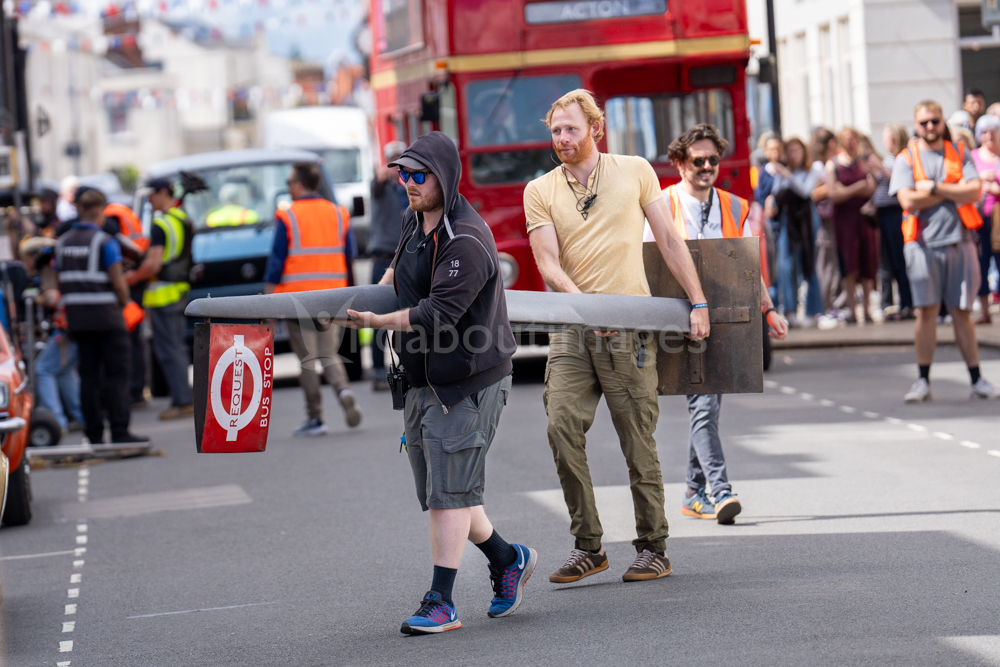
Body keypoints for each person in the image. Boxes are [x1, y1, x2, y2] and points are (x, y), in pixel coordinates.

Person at [343, 132, 536, 635]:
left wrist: (376, 323)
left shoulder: (467, 239)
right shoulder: (413, 220)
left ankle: (441, 602)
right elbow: (395, 274)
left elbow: (440, 312)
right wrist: (365, 301)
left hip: (468, 381)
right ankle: (508, 559)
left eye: (416, 175)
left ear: (443, 179)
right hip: (423, 377)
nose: (406, 183)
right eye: (401, 174)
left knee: (449, 494)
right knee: (441, 491)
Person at [525, 90, 709, 583]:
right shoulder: (539, 189)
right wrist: (587, 312)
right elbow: (547, 264)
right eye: (556, 131)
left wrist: (699, 301)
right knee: (560, 425)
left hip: (628, 326)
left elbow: (669, 240)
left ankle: (654, 546)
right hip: (573, 327)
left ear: (594, 129)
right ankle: (589, 546)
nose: (562, 139)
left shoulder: (635, 171)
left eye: (570, 129)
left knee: (636, 439)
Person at [659, 124, 788, 523]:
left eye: (713, 159)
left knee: (708, 407)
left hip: (727, 319)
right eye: (698, 160)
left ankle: (693, 492)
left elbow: (748, 269)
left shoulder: (735, 206)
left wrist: (768, 310)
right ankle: (720, 489)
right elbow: (649, 266)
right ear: (680, 163)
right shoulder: (661, 205)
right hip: (682, 319)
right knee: (703, 404)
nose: (707, 166)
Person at [890, 99, 998, 402]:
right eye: (924, 122)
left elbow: (974, 191)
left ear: (943, 122)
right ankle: (923, 381)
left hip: (960, 242)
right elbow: (908, 201)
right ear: (916, 125)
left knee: (961, 312)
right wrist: (953, 190)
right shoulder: (906, 158)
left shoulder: (959, 152)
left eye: (935, 121)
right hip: (922, 246)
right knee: (926, 311)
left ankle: (976, 380)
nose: (930, 127)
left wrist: (933, 188)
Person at [264, 162, 362, 434]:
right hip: (331, 298)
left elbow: (276, 262)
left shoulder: (288, 216)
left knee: (307, 358)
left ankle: (315, 417)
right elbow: (350, 254)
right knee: (329, 353)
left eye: (289, 183)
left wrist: (268, 299)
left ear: (298, 185)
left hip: (299, 300)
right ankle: (343, 392)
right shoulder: (338, 213)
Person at [55, 189, 146, 444]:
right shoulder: (104, 241)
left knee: (89, 376)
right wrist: (126, 302)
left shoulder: (62, 243)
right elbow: (118, 283)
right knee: (117, 373)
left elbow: (57, 279)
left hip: (79, 320)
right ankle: (119, 431)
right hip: (107, 318)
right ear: (98, 212)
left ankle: (93, 434)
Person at [124, 178, 195, 420]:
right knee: (178, 348)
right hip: (179, 290)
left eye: (152, 194)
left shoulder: (160, 224)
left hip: (162, 296)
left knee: (168, 351)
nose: (150, 200)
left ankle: (182, 401)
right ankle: (183, 398)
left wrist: (130, 278)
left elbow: (153, 264)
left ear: (164, 192)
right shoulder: (181, 218)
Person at [768, 137, 823, 326]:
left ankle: (813, 311)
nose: (793, 154)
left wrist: (785, 175)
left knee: (810, 262)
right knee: (785, 266)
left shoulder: (812, 169)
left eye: (797, 150)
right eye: (790, 151)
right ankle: (790, 310)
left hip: (807, 219)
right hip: (787, 219)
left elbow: (805, 191)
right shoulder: (782, 171)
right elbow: (776, 194)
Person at [367, 140, 408, 391]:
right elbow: (376, 186)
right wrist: (381, 176)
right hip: (383, 260)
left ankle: (406, 366)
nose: (397, 165)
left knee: (406, 315)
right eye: (393, 159)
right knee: (379, 316)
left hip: (403, 260)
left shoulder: (406, 192)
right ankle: (377, 370)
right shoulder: (380, 188)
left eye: (400, 159)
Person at [828, 127, 879, 324]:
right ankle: (852, 309)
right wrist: (857, 188)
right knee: (848, 265)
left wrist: (847, 190)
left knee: (867, 262)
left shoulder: (864, 161)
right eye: (848, 139)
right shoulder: (833, 164)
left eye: (854, 139)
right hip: (844, 221)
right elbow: (833, 194)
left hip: (864, 220)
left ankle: (866, 309)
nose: (852, 142)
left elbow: (872, 188)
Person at [104, 202, 150, 406]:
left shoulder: (109, 217)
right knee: (134, 339)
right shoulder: (122, 211)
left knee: (128, 339)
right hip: (135, 275)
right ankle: (137, 390)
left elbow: (117, 243)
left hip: (129, 278)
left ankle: (132, 391)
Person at [875, 123, 915, 320]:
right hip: (884, 214)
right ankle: (902, 303)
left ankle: (907, 303)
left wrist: (879, 167)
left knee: (900, 260)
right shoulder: (891, 158)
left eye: (886, 137)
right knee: (890, 262)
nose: (883, 141)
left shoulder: (902, 157)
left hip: (895, 212)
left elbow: (898, 182)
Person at [810, 128, 842, 322]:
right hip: (823, 221)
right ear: (831, 144)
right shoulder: (819, 166)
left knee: (831, 263)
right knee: (826, 263)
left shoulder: (823, 164)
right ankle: (825, 306)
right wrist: (830, 188)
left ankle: (831, 305)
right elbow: (813, 193)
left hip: (830, 219)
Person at [972, 114, 1000, 324]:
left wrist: (995, 188)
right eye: (984, 131)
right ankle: (984, 311)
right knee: (980, 264)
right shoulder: (973, 157)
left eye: (993, 130)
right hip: (979, 218)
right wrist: (981, 180)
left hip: (999, 217)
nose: (989, 135)